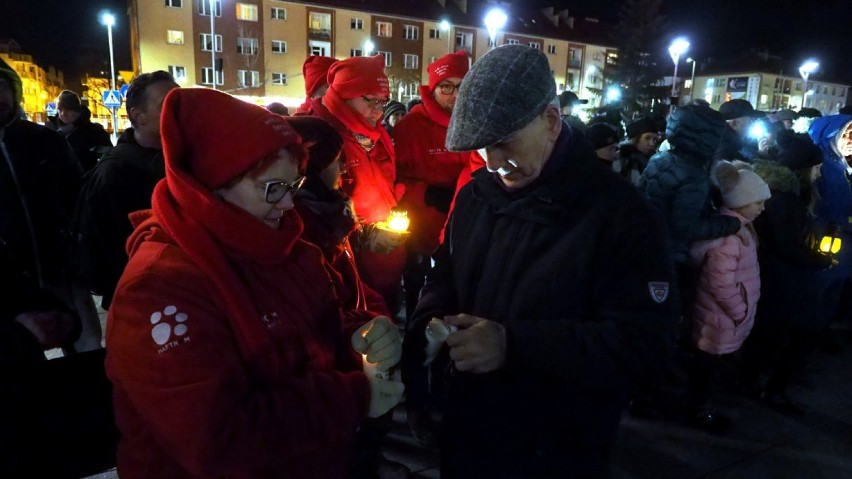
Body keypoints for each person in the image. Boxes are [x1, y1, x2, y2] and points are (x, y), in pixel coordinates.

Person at [400, 45, 678, 479]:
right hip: (469, 436)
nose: (492, 163)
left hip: (555, 449)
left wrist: (514, 345)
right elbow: (446, 273)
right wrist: (431, 321)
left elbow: (644, 343)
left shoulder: (622, 214)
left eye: (502, 142)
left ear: (550, 121)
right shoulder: (476, 197)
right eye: (480, 147)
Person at [105, 88, 404, 478]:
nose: (288, 204)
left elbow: (314, 327)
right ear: (211, 188)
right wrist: (353, 397)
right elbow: (218, 438)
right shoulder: (159, 289)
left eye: (293, 185)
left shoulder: (286, 246)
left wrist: (359, 335)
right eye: (272, 188)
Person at [303, 55, 407, 307]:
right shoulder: (318, 137)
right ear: (343, 95)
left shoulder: (377, 133)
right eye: (370, 100)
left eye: (383, 101)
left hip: (385, 258)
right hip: (347, 267)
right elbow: (312, 216)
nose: (378, 110)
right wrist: (365, 236)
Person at [73, 70, 179, 310]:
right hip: (143, 301)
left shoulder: (185, 159)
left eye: (180, 101)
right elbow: (108, 253)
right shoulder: (114, 174)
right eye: (168, 104)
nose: (179, 110)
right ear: (138, 116)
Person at [746, 136, 833, 415]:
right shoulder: (784, 199)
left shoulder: (787, 194)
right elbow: (786, 245)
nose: (818, 173)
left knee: (775, 334)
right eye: (815, 168)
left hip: (780, 276)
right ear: (801, 168)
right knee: (797, 333)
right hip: (784, 279)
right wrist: (820, 260)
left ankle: (756, 383)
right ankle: (774, 391)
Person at [686, 160, 770, 433]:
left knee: (712, 370)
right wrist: (740, 311)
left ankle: (705, 407)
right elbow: (719, 283)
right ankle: (702, 413)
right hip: (720, 319)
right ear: (740, 202)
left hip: (724, 319)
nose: (762, 208)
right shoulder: (729, 237)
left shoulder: (738, 229)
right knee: (708, 372)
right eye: (757, 202)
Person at [53, 90, 113, 171]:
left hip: (89, 181)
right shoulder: (52, 132)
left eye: (68, 109)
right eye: (60, 109)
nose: (63, 113)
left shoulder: (96, 133)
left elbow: (109, 161)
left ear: (77, 111)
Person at [613, 116, 658, 184]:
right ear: (636, 138)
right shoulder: (621, 157)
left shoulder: (655, 159)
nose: (652, 143)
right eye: (647, 138)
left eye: (654, 139)